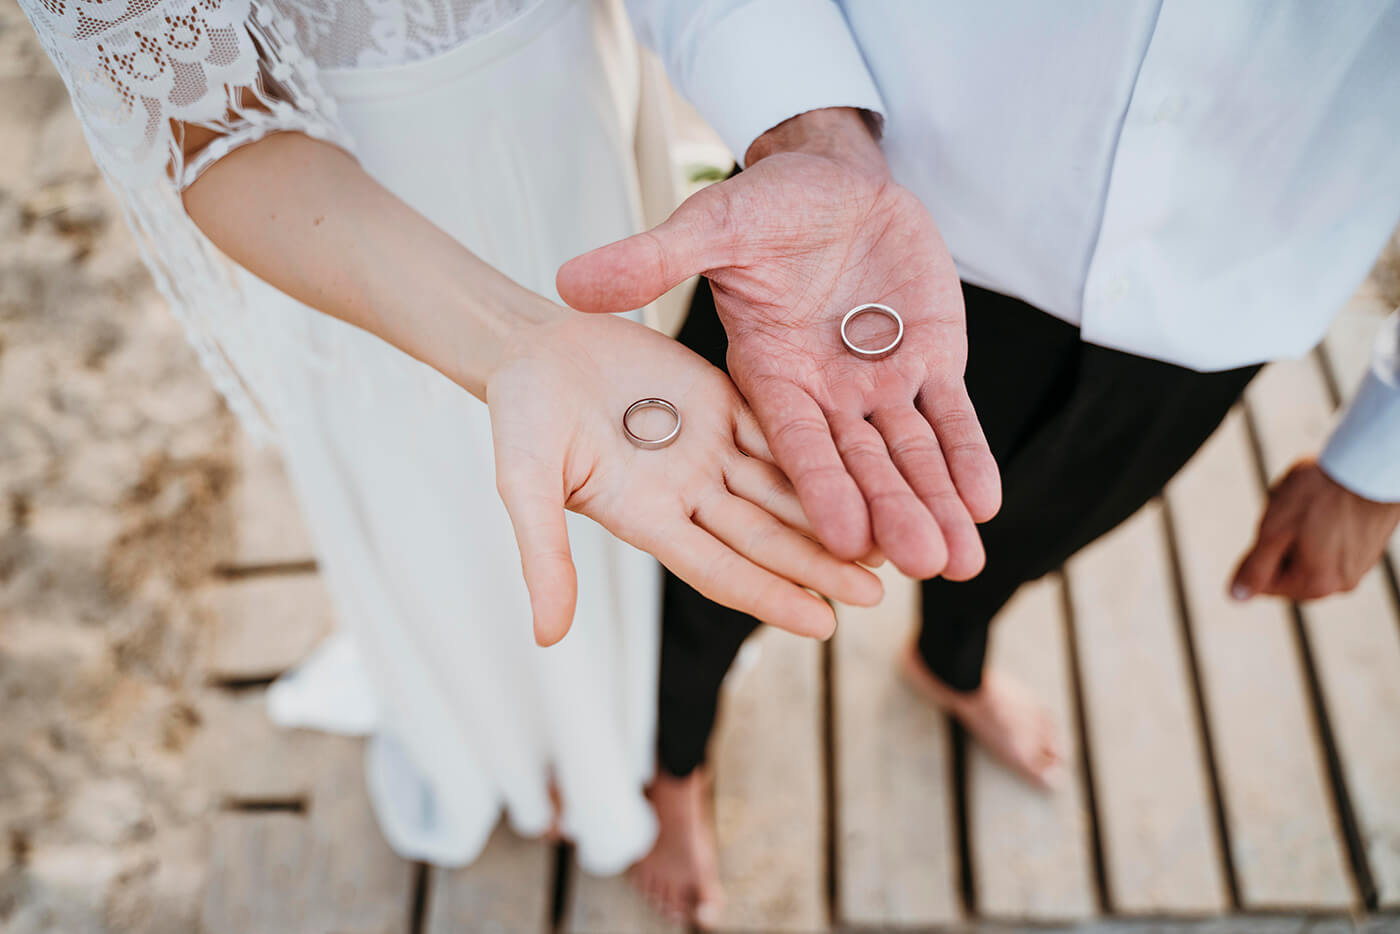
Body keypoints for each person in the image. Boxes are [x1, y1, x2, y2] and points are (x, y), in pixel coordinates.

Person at [558, 1, 1400, 922]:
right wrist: (807, 130)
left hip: (1210, 309)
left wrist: (1382, 451)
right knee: (719, 555)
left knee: (1013, 539)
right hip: (865, 228)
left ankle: (948, 664)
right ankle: (675, 764)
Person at [15, 0, 883, 876]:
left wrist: (813, 138)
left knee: (632, 488)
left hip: (573, 117)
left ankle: (630, 742)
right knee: (454, 506)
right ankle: (523, 744)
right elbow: (208, 125)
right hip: (359, 235)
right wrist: (516, 344)